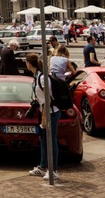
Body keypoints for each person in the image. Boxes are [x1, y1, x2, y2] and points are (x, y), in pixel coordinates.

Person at [26, 53, 60, 181]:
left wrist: (45, 118)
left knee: (51, 141)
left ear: (29, 64)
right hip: (43, 112)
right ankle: (43, 166)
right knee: (43, 140)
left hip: (51, 113)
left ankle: (54, 170)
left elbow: (48, 99)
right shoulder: (36, 77)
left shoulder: (42, 78)